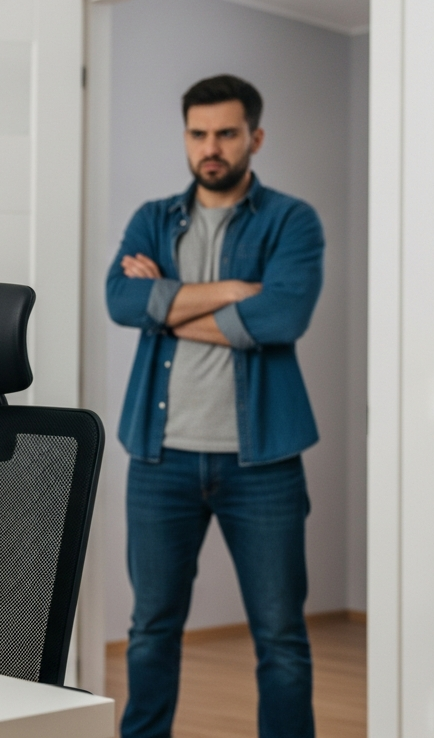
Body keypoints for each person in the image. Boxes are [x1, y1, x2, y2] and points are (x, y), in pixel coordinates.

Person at [106, 75, 324, 738]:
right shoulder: (152, 218)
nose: (212, 147)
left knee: (281, 636)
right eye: (199, 133)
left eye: (227, 133)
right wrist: (232, 290)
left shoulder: (292, 219)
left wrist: (165, 308)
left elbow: (283, 314)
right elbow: (120, 301)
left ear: (254, 137)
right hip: (159, 457)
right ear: (186, 138)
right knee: (150, 630)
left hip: (263, 463)